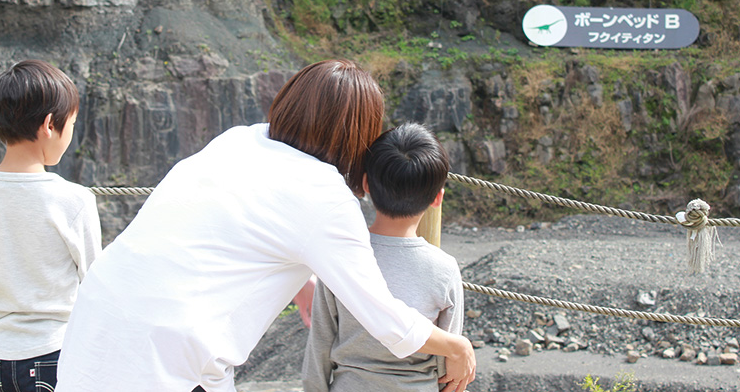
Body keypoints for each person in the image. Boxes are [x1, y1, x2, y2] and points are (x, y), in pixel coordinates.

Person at [55, 59, 476, 392]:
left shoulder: (240, 138)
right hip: (161, 351)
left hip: (97, 313)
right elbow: (387, 322)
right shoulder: (326, 196)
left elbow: (237, 230)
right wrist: (455, 346)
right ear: (356, 136)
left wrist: (301, 287)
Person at [0, 59, 102, 392]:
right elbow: (94, 286)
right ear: (50, 125)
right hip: (55, 353)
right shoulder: (74, 200)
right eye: (72, 124)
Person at [303, 123, 464, 392]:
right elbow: (448, 365)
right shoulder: (445, 270)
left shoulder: (341, 259)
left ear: (365, 184)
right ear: (438, 198)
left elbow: (319, 345)